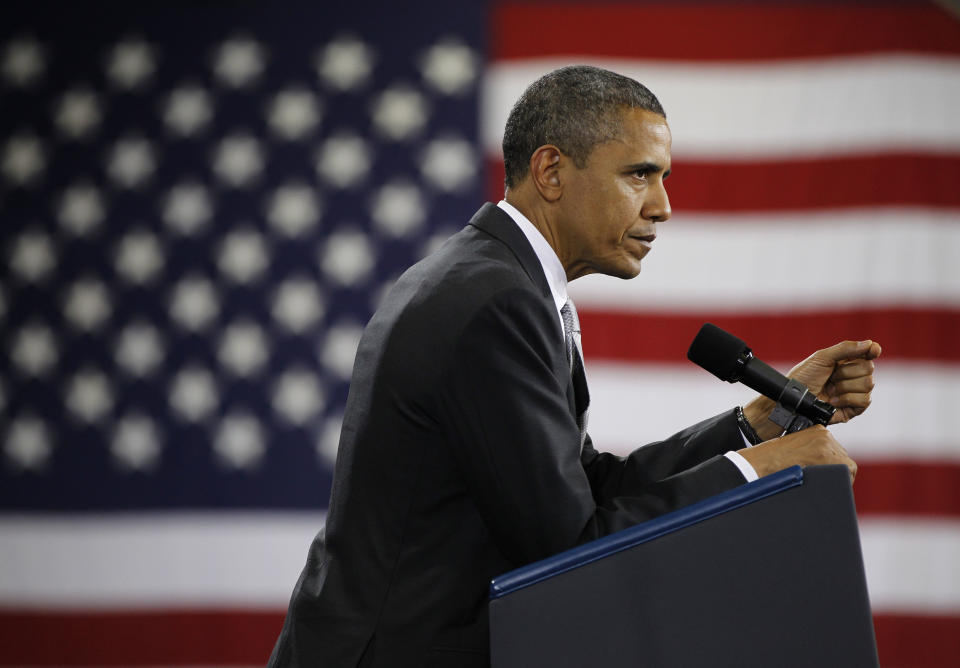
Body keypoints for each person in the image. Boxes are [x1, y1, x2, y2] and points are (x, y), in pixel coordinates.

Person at [267, 65, 881, 668]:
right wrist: (758, 471)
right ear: (552, 171)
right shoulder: (495, 302)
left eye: (663, 176)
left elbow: (580, 490)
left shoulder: (501, 280)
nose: (664, 206)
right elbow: (570, 545)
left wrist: (759, 424)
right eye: (640, 175)